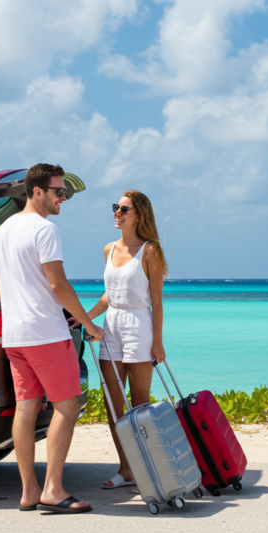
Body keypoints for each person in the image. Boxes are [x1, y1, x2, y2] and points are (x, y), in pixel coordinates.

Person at [0, 163, 105, 514]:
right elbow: (58, 285)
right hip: (45, 334)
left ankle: (29, 492)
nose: (63, 198)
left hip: (16, 336)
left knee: (26, 407)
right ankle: (52, 489)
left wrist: (21, 305)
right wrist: (90, 325)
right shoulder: (44, 229)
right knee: (67, 407)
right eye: (57, 191)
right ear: (37, 191)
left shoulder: (3, 231)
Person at [82, 190, 169, 490]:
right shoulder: (108, 249)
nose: (117, 213)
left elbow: (156, 301)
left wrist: (158, 342)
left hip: (139, 326)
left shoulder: (149, 251)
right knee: (112, 403)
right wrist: (85, 318)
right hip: (111, 327)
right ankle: (126, 469)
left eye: (124, 209)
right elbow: (110, 295)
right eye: (115, 207)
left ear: (139, 215)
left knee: (140, 404)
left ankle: (148, 466)